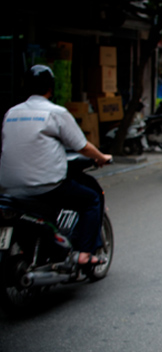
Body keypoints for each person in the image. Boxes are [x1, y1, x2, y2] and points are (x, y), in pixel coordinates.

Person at [0, 65, 113, 265]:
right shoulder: (55, 112)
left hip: (9, 189)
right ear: (51, 89)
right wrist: (101, 157)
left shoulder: (11, 113)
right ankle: (84, 253)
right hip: (46, 187)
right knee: (92, 199)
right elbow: (83, 146)